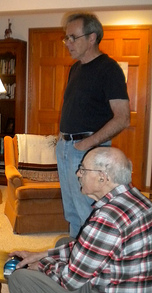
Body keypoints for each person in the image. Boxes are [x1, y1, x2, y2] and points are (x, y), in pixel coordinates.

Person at [8, 147, 152, 293]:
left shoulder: (107, 218)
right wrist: (43, 254)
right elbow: (93, 247)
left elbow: (70, 281)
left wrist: (42, 264)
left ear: (102, 178)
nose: (78, 174)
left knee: (20, 280)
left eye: (83, 169)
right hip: (134, 287)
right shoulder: (139, 199)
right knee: (63, 243)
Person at [56, 12, 130, 238]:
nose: (68, 43)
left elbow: (122, 118)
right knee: (71, 209)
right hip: (66, 148)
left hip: (87, 151)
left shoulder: (109, 69)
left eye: (73, 37)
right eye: (66, 37)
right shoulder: (75, 68)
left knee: (86, 209)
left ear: (92, 38)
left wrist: (84, 144)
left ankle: (88, 262)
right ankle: (74, 255)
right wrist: (61, 139)